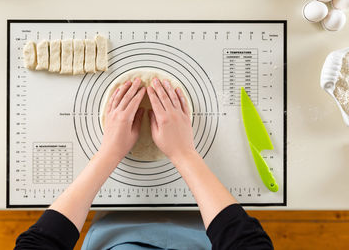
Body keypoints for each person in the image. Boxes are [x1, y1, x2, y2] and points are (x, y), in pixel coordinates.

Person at [14, 78, 273, 250]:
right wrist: (184, 153)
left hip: (114, 232)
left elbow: (39, 245)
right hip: (205, 233)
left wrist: (110, 152)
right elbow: (246, 243)